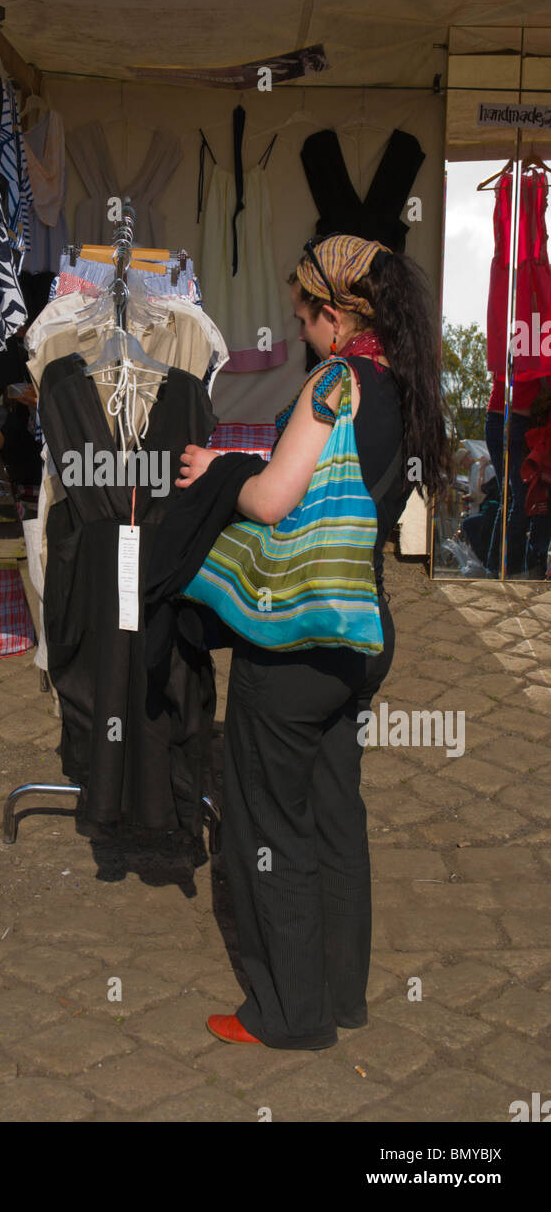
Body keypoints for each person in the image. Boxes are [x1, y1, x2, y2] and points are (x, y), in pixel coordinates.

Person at [176, 234, 453, 1052]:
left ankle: (289, 1014)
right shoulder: (403, 383)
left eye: (305, 316)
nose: (302, 330)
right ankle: (340, 993)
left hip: (298, 636)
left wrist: (219, 473)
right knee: (337, 812)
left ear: (336, 315)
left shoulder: (335, 382)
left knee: (269, 822)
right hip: (362, 631)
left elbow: (271, 499)